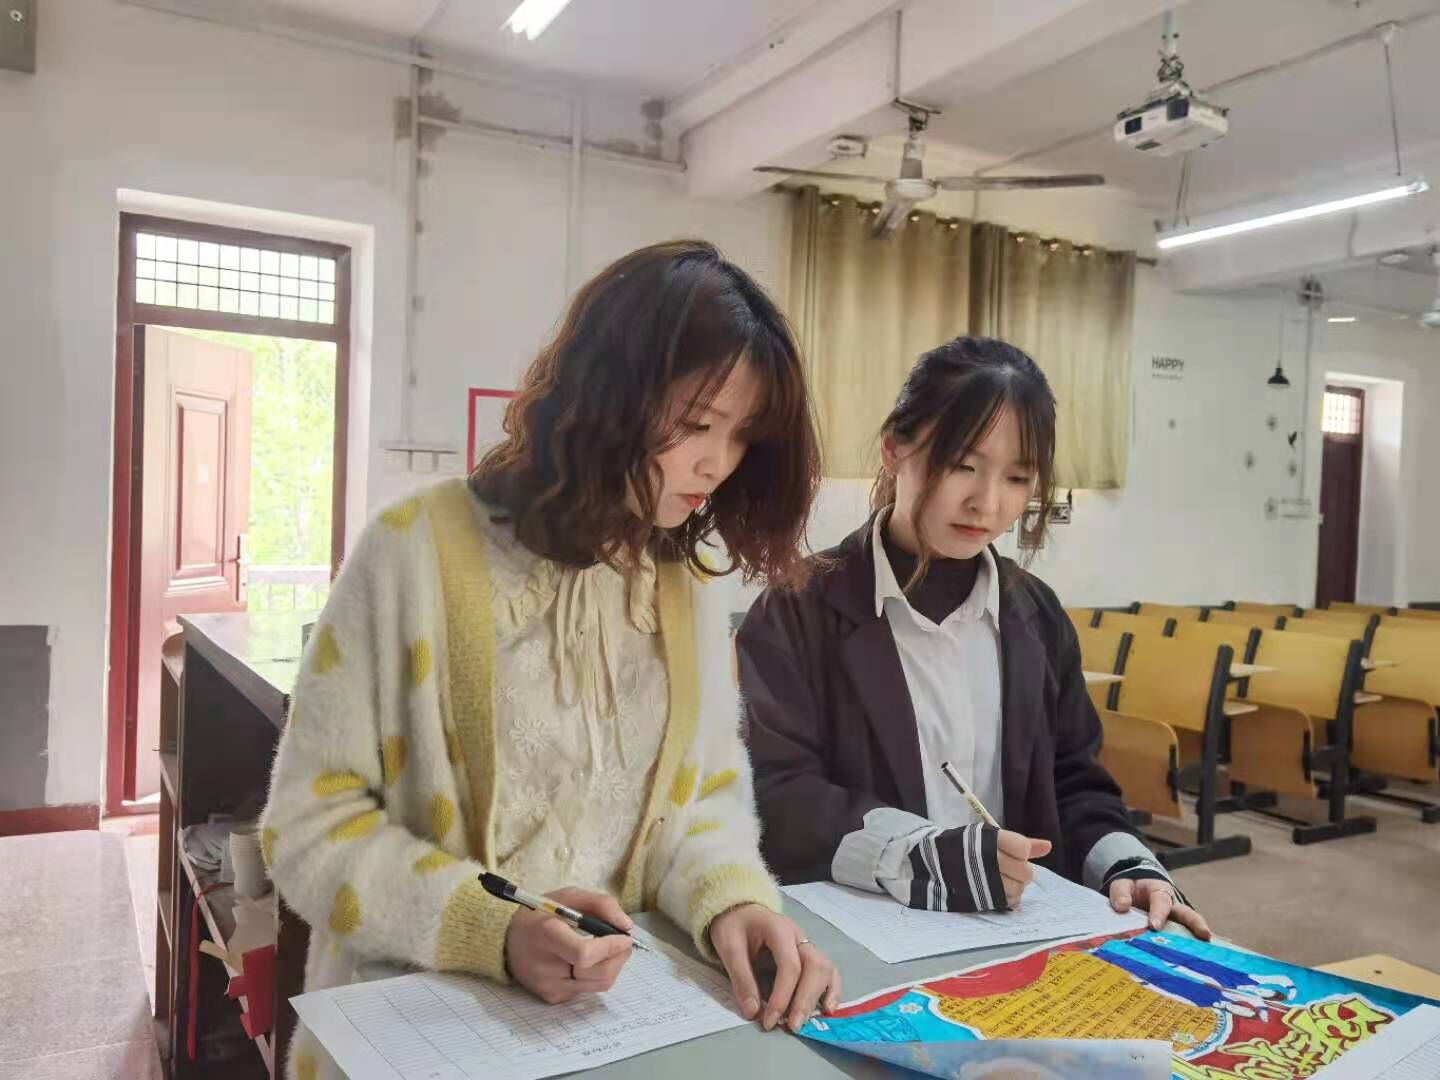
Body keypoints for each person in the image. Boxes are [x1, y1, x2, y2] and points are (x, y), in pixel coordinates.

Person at [262, 241, 840, 1080]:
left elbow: (705, 807)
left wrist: (733, 903)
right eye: (694, 424)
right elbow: (307, 830)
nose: (716, 463)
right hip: (422, 1035)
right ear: (609, 394)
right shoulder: (412, 550)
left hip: (618, 1034)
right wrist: (493, 929)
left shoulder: (684, 586)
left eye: (741, 435)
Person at [738, 335, 1209, 938]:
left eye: (1017, 477)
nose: (987, 503)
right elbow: (775, 791)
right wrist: (922, 854)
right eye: (962, 465)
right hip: (867, 938)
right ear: (894, 447)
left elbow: (1073, 780)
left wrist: (1125, 863)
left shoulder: (1037, 616)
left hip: (1022, 932)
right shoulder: (796, 610)